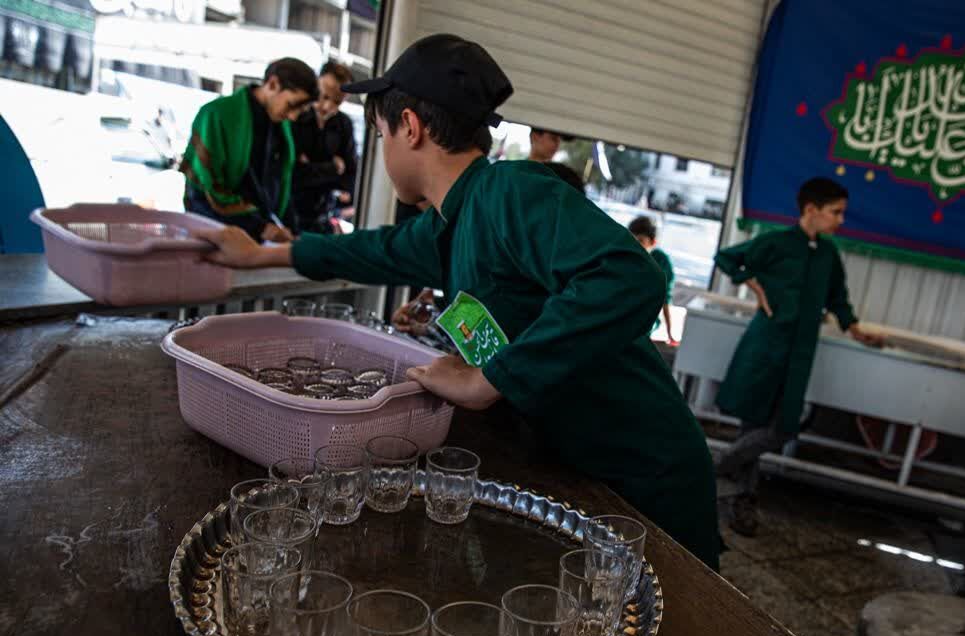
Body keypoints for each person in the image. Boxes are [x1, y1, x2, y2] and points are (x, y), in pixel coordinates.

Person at [194, 33, 720, 570]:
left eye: (380, 134)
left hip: (646, 478)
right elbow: (373, 249)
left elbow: (630, 274)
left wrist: (489, 379)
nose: (381, 151)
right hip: (580, 464)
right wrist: (259, 255)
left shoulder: (508, 193)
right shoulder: (455, 221)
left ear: (410, 128)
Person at [713, 177, 884, 536]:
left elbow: (838, 298)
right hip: (765, 346)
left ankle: (709, 470)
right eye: (836, 212)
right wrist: (752, 282)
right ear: (811, 209)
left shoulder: (827, 255)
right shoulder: (777, 243)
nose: (841, 220)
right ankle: (742, 503)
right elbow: (727, 258)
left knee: (782, 427)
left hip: (799, 353)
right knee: (752, 427)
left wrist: (855, 329)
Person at [181, 58, 317, 243]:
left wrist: (293, 230)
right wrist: (261, 227)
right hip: (212, 234)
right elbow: (207, 191)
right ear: (273, 84)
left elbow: (278, 186)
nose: (293, 116)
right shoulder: (215, 114)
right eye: (292, 105)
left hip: (257, 236)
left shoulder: (279, 126)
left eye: (300, 110)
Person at [292, 61, 358, 233]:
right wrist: (333, 167)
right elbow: (292, 174)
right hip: (289, 213)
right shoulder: (295, 117)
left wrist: (310, 167)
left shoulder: (344, 125)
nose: (328, 106)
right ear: (316, 84)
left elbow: (350, 177)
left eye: (337, 102)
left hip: (324, 214)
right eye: (324, 96)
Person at [628, 216, 676, 344]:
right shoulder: (625, 257)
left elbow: (665, 299)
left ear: (653, 242)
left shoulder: (660, 261)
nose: (635, 246)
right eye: (631, 240)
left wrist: (670, 332)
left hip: (644, 322)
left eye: (640, 241)